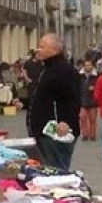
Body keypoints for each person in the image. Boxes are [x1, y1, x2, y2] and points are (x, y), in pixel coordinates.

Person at [27, 34, 81, 171]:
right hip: (42, 132)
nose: (37, 50)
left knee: (56, 170)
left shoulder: (64, 71)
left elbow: (72, 98)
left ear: (54, 50)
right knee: (46, 170)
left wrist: (66, 121)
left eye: (42, 47)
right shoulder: (46, 68)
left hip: (54, 133)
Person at [77, 56, 99, 142]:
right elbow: (77, 87)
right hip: (82, 100)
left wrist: (94, 88)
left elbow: (99, 87)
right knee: (83, 119)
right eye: (86, 65)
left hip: (92, 101)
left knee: (93, 119)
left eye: (89, 65)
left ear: (92, 66)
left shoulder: (96, 76)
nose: (87, 67)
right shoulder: (80, 76)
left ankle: (92, 135)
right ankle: (85, 135)